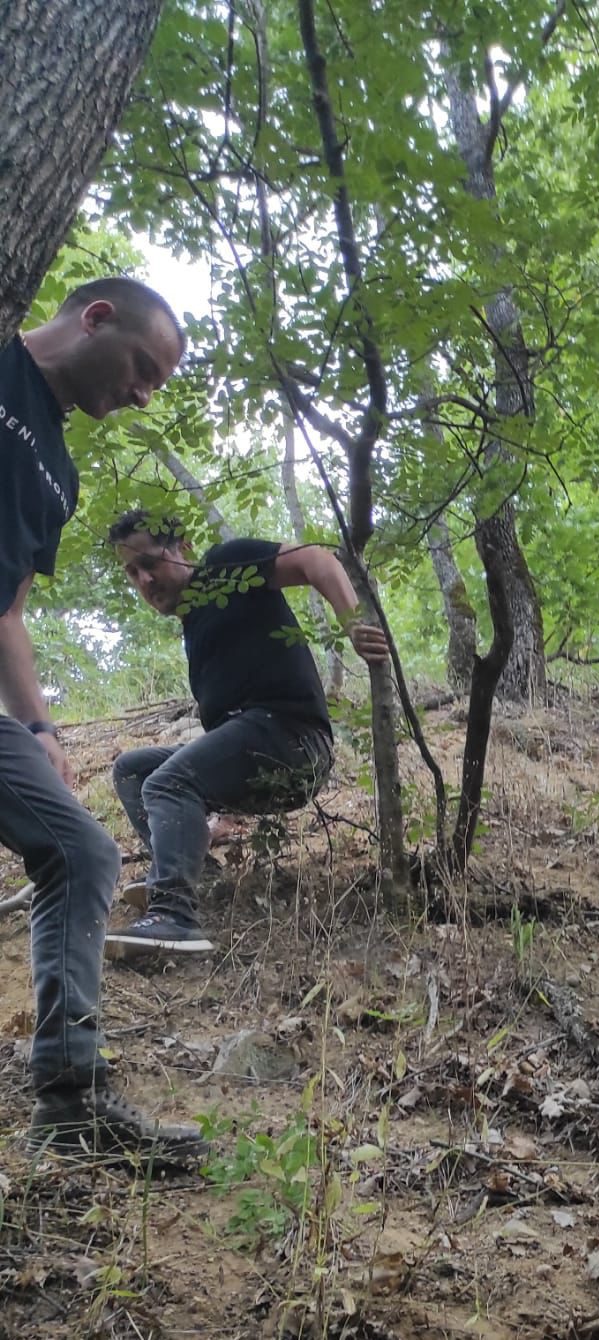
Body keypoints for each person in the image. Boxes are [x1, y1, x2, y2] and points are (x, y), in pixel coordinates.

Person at [0, 277, 206, 1157]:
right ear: (94, 318)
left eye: (154, 384)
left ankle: (70, 1100)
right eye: (142, 368)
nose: (141, 394)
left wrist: (42, 729)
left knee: (83, 852)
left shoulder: (62, 470)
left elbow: (6, 608)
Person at [104, 510, 389, 958]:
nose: (143, 580)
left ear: (182, 548)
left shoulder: (225, 564)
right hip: (256, 744)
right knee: (134, 770)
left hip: (293, 740)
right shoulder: (194, 623)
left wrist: (352, 623)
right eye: (132, 573)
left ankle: (173, 916)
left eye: (151, 563)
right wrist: (205, 821)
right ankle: (200, 876)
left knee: (167, 780)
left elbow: (316, 560)